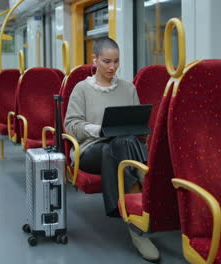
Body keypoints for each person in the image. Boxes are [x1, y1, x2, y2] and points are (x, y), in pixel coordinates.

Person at [64, 37, 159, 262]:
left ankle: (132, 221)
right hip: (89, 150)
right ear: (94, 60)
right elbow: (71, 125)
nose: (112, 67)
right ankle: (149, 192)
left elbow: (135, 123)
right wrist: (99, 130)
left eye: (116, 62)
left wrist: (140, 130)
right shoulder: (81, 89)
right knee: (116, 144)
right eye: (107, 61)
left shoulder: (128, 88)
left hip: (119, 148)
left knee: (120, 144)